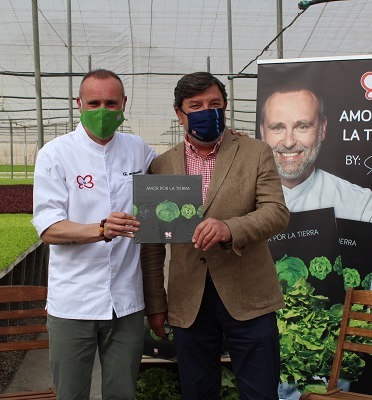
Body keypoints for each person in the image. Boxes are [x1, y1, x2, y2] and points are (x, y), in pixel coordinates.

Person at [141, 72, 290, 400]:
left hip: (249, 296)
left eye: (214, 104)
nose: (207, 111)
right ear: (179, 114)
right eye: (195, 106)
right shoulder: (161, 165)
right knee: (197, 391)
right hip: (188, 300)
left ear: (225, 107)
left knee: (260, 391)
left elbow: (276, 212)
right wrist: (155, 303)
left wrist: (230, 228)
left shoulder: (255, 152)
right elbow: (152, 244)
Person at [32, 69, 158, 400]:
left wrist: (223, 144)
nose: (103, 110)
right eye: (94, 103)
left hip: (126, 302)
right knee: (71, 393)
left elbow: (177, 169)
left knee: (123, 392)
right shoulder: (55, 154)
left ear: (123, 104)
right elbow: (49, 227)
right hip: (73, 303)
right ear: (79, 104)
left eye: (111, 103)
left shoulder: (137, 149)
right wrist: (100, 229)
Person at [259, 83, 372, 293]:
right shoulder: (237, 203)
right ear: (263, 132)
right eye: (277, 127)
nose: (289, 141)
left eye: (302, 126)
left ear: (323, 129)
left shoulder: (360, 204)